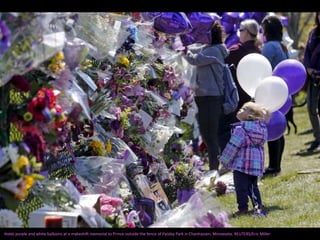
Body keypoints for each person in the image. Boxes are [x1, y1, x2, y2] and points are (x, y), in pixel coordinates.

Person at [183, 20, 229, 172]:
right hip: (206, 97)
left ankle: (214, 169)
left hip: (211, 98)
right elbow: (196, 51)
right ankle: (216, 166)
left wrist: (182, 46)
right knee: (207, 134)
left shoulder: (214, 51)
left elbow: (193, 59)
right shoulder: (210, 48)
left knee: (210, 135)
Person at [219, 101, 270, 217]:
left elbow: (233, 146)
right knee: (253, 186)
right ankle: (258, 205)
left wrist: (224, 160)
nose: (239, 110)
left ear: (249, 115)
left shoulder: (241, 129)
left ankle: (243, 208)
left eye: (243, 109)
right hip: (255, 164)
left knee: (240, 187)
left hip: (242, 164)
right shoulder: (261, 129)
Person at [219, 18, 261, 153]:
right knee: (251, 133)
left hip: (236, 99)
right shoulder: (258, 51)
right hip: (253, 100)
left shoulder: (235, 50)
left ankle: (230, 159)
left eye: (241, 30)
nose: (239, 33)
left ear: (248, 33)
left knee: (230, 131)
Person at [261, 14, 289, 176]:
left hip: (271, 90)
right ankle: (276, 165)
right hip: (281, 91)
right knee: (279, 127)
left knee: (273, 128)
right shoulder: (280, 45)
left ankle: (273, 166)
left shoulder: (269, 46)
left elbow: (264, 67)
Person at [303, 12, 320, 152]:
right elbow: (307, 53)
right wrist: (308, 68)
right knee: (311, 107)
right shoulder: (312, 33)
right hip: (313, 75)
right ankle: (318, 137)